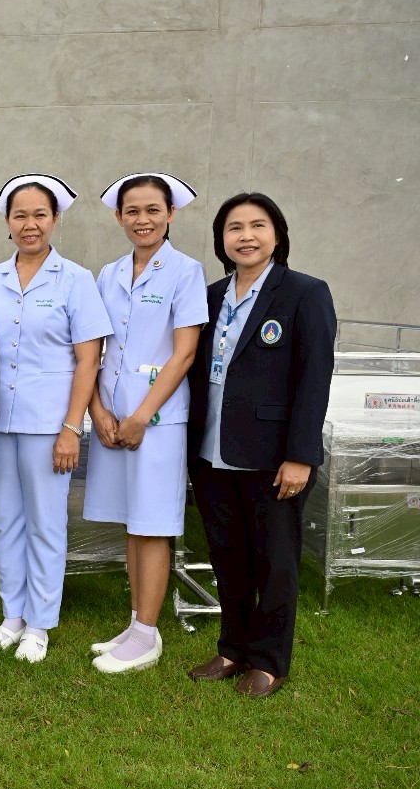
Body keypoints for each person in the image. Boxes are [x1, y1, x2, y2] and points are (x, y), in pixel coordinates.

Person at [186, 192, 334, 698]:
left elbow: (315, 378)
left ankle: (269, 662)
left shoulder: (304, 293)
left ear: (277, 234)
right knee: (228, 557)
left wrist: (300, 455)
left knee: (275, 561)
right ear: (221, 239)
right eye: (234, 228)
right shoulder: (210, 297)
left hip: (273, 457)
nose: (245, 236)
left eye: (257, 225)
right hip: (211, 452)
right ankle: (232, 649)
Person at [0, 173, 111, 664]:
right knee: (3, 520)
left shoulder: (76, 280)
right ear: (8, 222)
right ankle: (12, 617)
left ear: (54, 220)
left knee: (46, 523)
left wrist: (72, 428)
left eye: (39, 215)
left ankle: (40, 624)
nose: (29, 224)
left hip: (50, 426)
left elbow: (88, 360)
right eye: (20, 215)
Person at [83, 173, 208, 674]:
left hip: (156, 421)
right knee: (132, 522)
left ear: (170, 214)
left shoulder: (186, 272)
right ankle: (136, 623)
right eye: (132, 211)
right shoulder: (109, 274)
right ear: (119, 217)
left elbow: (184, 354)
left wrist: (139, 417)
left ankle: (149, 635)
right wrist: (97, 410)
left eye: (153, 210)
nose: (143, 220)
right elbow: (95, 348)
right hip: (113, 417)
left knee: (153, 524)